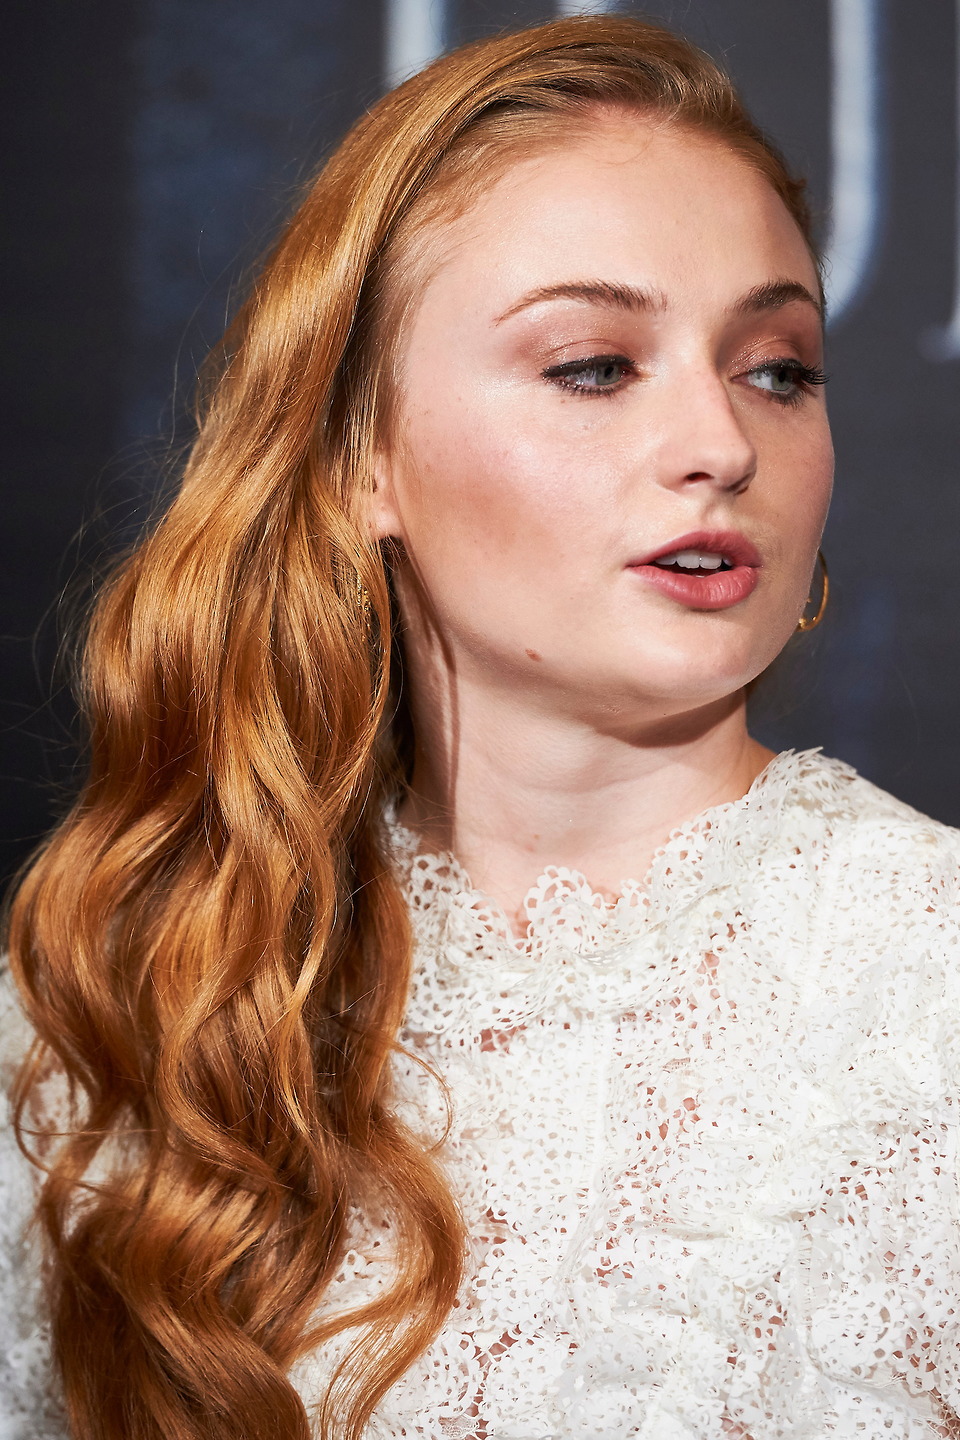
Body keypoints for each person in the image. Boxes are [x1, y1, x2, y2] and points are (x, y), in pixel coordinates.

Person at [2, 14, 959, 1440]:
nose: (722, 444)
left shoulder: (930, 989)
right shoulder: (116, 1003)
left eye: (777, 367)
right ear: (362, 457)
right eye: (593, 367)